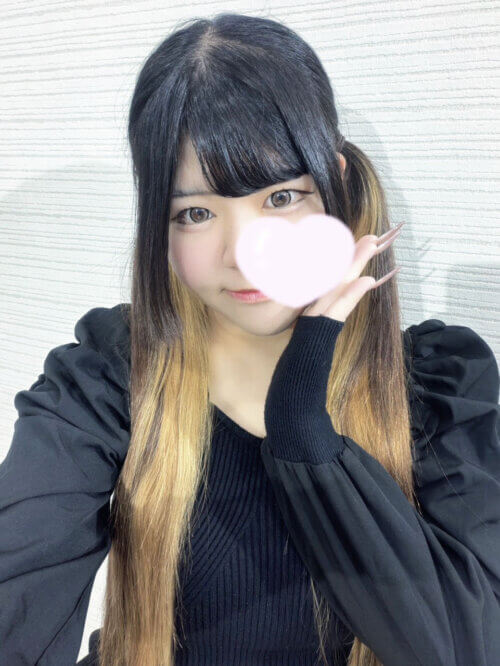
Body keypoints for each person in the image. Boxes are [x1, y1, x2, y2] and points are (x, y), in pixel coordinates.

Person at [1, 12, 499, 666]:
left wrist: (302, 422)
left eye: (281, 198)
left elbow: (467, 644)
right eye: (196, 213)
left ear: (337, 186)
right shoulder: (108, 375)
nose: (241, 255)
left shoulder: (436, 382)